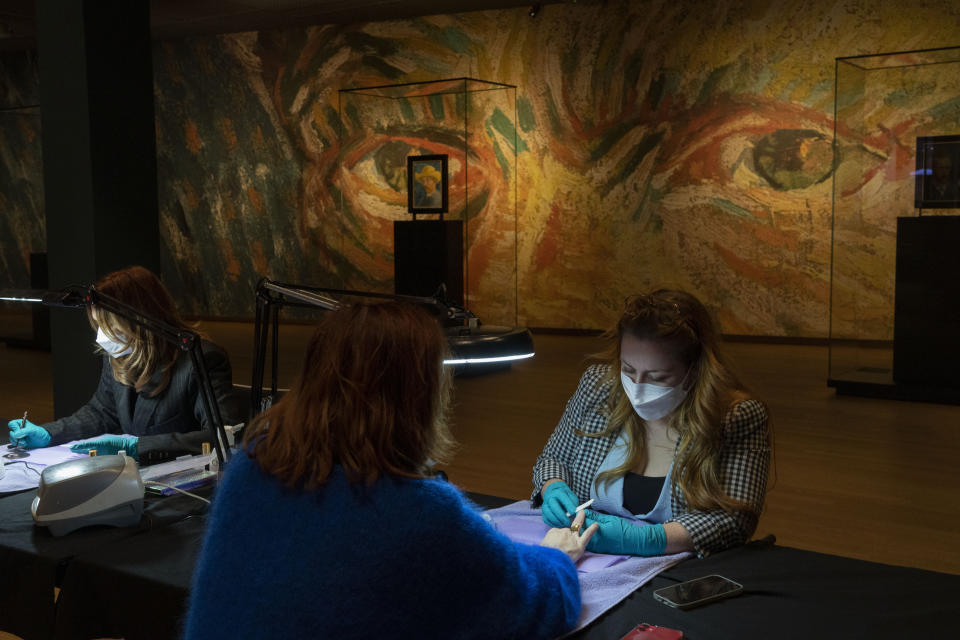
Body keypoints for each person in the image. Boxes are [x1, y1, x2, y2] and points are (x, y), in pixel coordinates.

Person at [184, 301, 597, 640]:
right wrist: (557, 557)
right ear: (418, 399)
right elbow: (534, 607)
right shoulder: (418, 512)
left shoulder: (249, 470)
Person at [532, 289, 771, 558]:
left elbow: (734, 521)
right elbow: (554, 458)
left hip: (674, 568)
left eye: (657, 377)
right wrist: (553, 486)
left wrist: (647, 539)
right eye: (629, 370)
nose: (637, 388)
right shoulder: (599, 386)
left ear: (694, 372)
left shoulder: (735, 416)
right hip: (584, 556)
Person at [6, 266, 243, 465]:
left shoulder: (201, 361)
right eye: (98, 326)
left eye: (112, 328)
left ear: (139, 321)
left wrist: (137, 447)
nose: (102, 336)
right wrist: (49, 434)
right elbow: (102, 412)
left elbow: (224, 436)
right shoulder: (120, 355)